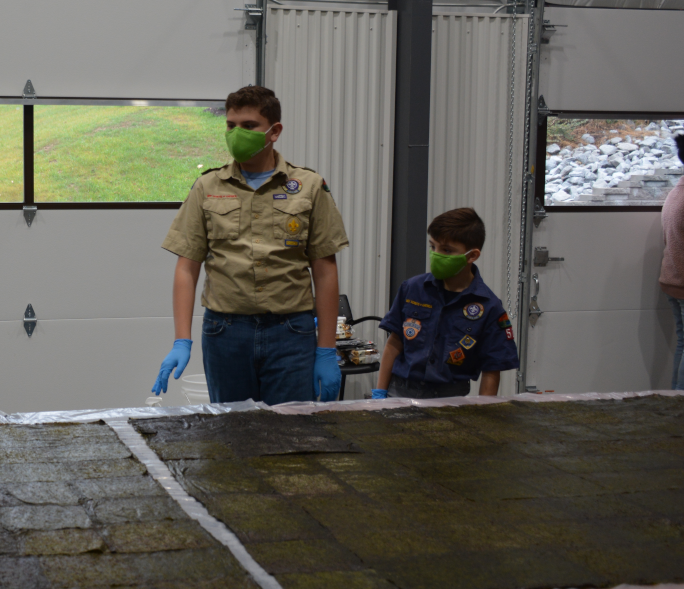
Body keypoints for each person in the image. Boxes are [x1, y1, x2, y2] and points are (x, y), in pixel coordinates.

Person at [152, 85, 348, 405]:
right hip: (226, 332)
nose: (237, 134)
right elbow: (187, 266)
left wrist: (326, 350)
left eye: (249, 126)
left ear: (275, 131)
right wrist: (181, 340)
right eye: (231, 126)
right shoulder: (207, 186)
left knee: (290, 428)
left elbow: (325, 270)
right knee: (232, 429)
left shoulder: (309, 186)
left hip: (290, 332)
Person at [373, 208, 517, 399]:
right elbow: (394, 343)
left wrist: (483, 410)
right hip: (400, 392)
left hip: (451, 398)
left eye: (447, 250)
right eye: (433, 247)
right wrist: (380, 393)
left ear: (472, 256)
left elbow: (492, 369)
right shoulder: (413, 289)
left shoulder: (489, 307)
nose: (436, 255)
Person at [658, 136, 684, 390]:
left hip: (672, 279)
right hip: (682, 282)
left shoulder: (676, 192)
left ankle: (676, 400)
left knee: (682, 343)